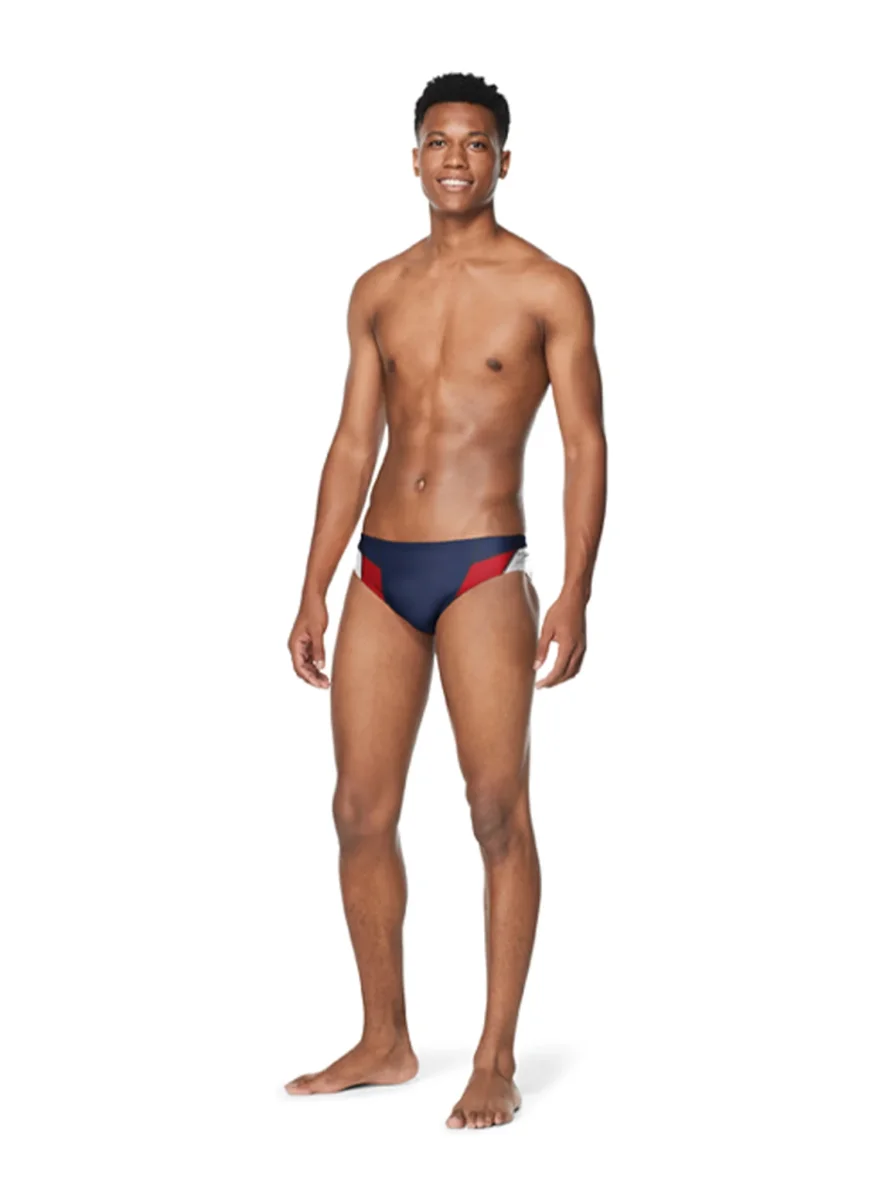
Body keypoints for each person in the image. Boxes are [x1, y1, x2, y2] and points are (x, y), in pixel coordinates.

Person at [285, 71, 607, 1130]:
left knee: (495, 809)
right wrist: (313, 584)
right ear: (414, 157)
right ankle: (385, 1038)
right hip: (381, 567)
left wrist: (576, 590)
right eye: (438, 141)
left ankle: (497, 1055)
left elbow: (585, 443)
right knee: (357, 810)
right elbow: (352, 444)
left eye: (475, 142)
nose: (455, 158)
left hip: (483, 565)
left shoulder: (548, 287)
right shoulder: (378, 288)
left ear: (503, 160)